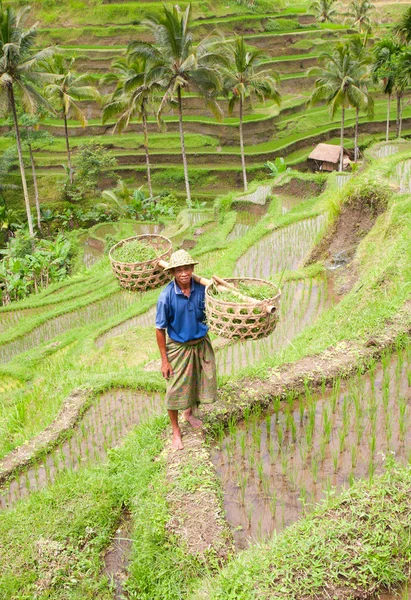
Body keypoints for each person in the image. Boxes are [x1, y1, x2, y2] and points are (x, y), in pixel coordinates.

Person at [155, 249, 217, 450]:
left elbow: (217, 306)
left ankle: (189, 413)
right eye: (179, 270)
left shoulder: (202, 290)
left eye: (187, 269)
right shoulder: (166, 297)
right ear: (172, 273)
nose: (184, 273)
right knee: (174, 390)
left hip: (200, 343)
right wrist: (164, 361)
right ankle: (176, 431)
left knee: (197, 380)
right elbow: (160, 329)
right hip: (179, 347)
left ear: (192, 269)